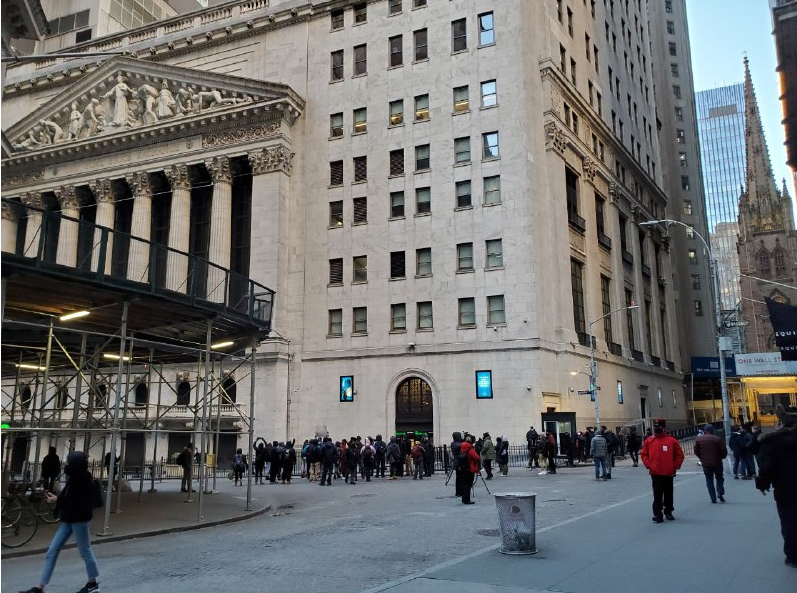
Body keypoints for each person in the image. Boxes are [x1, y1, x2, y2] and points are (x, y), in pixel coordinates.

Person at [19, 451, 100, 593]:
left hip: (79, 521)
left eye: (69, 463)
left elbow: (77, 502)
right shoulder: (75, 477)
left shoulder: (85, 481)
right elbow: (68, 496)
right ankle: (40, 587)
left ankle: (92, 584)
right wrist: (58, 499)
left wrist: (57, 500)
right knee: (52, 551)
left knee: (85, 551)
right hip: (67, 519)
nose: (67, 466)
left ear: (75, 465)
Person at [755, 405, 797, 568]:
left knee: (789, 521)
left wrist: (763, 484)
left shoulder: (772, 441)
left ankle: (792, 556)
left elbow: (766, 467)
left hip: (785, 489)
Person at [641, 420, 684, 523]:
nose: (657, 428)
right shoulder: (649, 441)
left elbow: (679, 455)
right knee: (657, 494)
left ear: (663, 428)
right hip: (655, 472)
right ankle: (657, 514)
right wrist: (648, 464)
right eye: (655, 426)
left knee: (668, 493)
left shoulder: (672, 441)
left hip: (668, 472)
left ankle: (668, 511)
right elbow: (644, 454)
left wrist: (674, 466)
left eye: (659, 426)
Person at [694, 424, 727, 503]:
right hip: (717, 462)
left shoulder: (698, 439)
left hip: (706, 463)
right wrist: (722, 457)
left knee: (709, 480)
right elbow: (723, 450)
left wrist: (701, 458)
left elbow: (696, 451)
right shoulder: (717, 439)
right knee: (719, 477)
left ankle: (713, 498)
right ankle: (720, 491)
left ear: (704, 431)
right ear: (712, 430)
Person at [458, 436, 480, 504]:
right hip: (470, 468)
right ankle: (467, 500)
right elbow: (477, 457)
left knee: (464, 484)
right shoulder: (470, 448)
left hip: (463, 468)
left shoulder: (462, 447)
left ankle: (464, 498)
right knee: (468, 484)